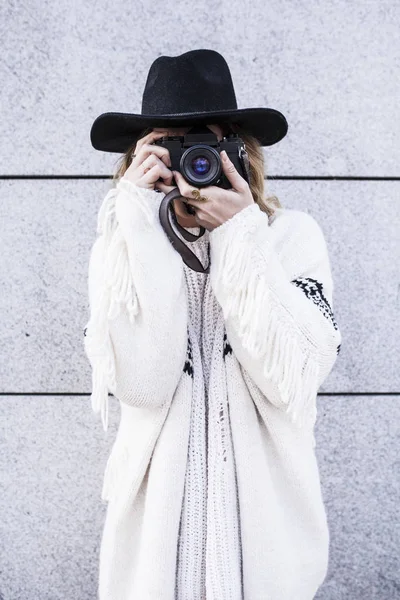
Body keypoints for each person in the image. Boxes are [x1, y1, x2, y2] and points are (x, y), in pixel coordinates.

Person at [84, 49, 342, 600]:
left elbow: (296, 376)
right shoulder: (119, 253)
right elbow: (143, 385)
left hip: (267, 563)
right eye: (168, 147)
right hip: (153, 569)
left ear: (238, 154)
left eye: (204, 142)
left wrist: (241, 236)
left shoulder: (292, 238)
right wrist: (138, 225)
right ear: (138, 159)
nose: (189, 163)